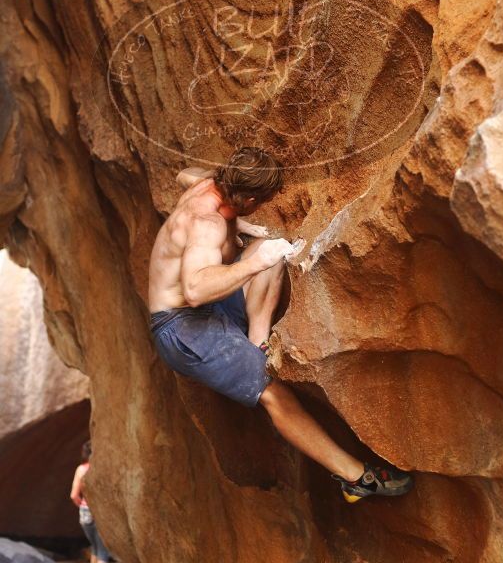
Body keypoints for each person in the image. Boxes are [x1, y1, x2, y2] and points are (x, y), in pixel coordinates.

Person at [148, 146, 413, 502]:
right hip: (182, 328)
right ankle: (356, 479)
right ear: (250, 197)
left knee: (272, 247)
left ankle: (257, 343)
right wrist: (252, 264)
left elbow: (185, 174)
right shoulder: (206, 224)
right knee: (275, 393)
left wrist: (242, 226)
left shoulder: (212, 184)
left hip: (209, 311)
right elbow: (195, 290)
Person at [70, 441, 110, 563]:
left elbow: (74, 495)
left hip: (85, 513)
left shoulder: (80, 470)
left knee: (94, 549)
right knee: (103, 553)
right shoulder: (101, 469)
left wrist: (84, 506)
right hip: (100, 513)